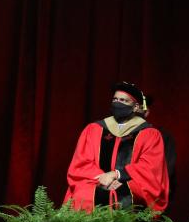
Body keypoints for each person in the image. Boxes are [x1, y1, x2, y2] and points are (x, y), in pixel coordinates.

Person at [64, 82, 169, 211]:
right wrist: (103, 178)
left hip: (130, 182)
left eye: (123, 100)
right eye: (115, 99)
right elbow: (81, 162)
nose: (117, 103)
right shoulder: (95, 129)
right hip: (97, 181)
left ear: (136, 107)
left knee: (130, 196)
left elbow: (150, 167)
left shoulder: (149, 134)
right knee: (83, 194)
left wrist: (117, 175)